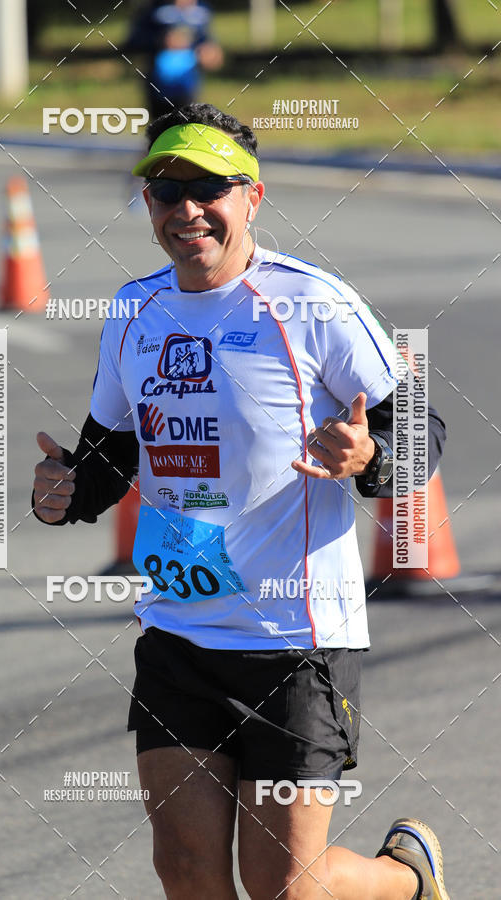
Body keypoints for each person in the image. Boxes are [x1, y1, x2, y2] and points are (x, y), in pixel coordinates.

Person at [32, 103, 449, 900]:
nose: (186, 211)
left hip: (298, 639)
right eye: (164, 191)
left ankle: (405, 880)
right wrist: (67, 491)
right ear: (147, 205)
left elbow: (417, 428)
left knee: (286, 888)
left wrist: (372, 456)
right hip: (180, 632)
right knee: (186, 872)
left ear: (251, 197)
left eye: (209, 190)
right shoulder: (133, 311)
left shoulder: (312, 304)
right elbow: (111, 448)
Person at [126, 0, 223, 120]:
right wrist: (162, 40)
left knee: (187, 125)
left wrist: (209, 51)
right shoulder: (153, 8)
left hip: (188, 83)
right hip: (158, 84)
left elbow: (206, 39)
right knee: (160, 128)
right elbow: (134, 41)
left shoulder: (202, 9)